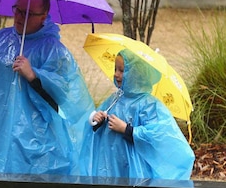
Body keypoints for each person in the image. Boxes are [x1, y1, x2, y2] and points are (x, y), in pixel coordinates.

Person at [0, 0, 94, 175]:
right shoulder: (1, 38)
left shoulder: (53, 50)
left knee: (22, 180)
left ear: (44, 15)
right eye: (18, 10)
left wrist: (34, 76)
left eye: (28, 13)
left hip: (29, 133)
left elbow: (64, 97)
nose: (20, 17)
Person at [81, 49, 195, 180]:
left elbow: (158, 134)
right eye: (115, 69)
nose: (116, 74)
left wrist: (127, 130)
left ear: (135, 74)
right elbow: (95, 128)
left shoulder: (149, 104)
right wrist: (97, 121)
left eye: (122, 70)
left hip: (135, 166)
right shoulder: (115, 98)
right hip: (110, 163)